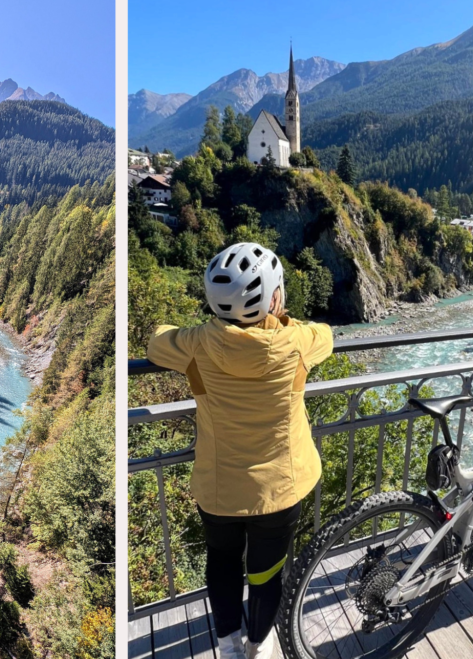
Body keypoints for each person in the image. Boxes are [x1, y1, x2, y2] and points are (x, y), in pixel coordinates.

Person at [147, 242, 333, 659]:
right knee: (267, 573)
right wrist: (282, 320)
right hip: (279, 490)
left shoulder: (196, 344)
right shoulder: (298, 342)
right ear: (274, 297)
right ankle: (259, 644)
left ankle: (228, 644)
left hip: (219, 488)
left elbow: (156, 342)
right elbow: (327, 334)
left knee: (223, 563)